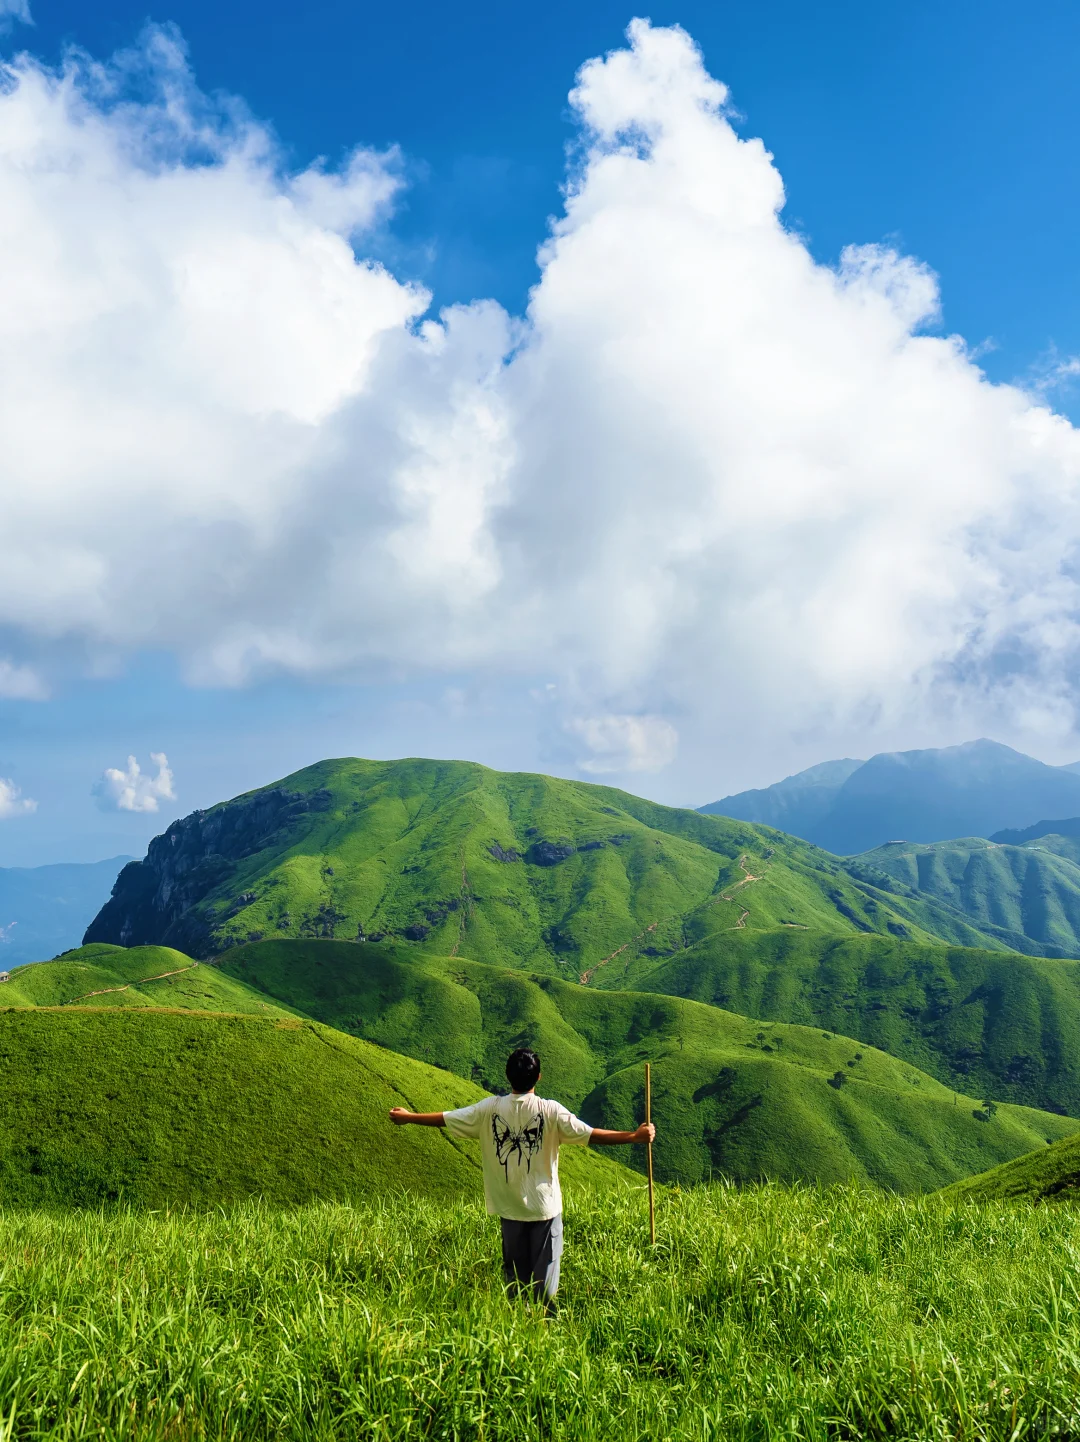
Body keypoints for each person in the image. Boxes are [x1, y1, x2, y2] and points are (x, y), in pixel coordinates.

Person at [389, 1046, 655, 1311]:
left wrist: (409, 1118)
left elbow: (447, 1119)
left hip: (509, 1209)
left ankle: (519, 1333)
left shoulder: (489, 1109)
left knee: (515, 1284)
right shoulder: (550, 1111)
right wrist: (634, 1136)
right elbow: (591, 1134)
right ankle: (543, 1332)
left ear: (508, 1076)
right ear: (538, 1077)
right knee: (545, 1287)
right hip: (544, 1211)